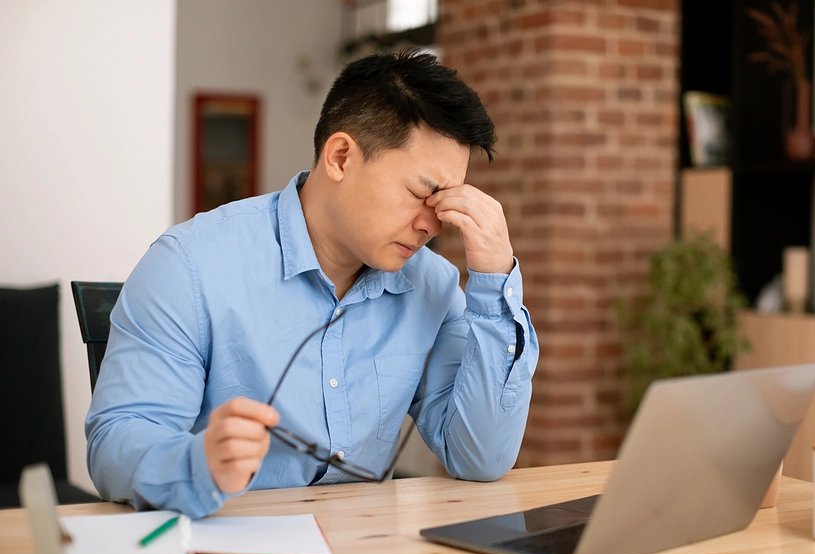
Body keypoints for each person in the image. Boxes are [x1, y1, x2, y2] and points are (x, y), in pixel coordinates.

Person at [85, 49, 539, 518]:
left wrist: (494, 280)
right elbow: (115, 444)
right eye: (422, 193)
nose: (433, 224)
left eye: (446, 201)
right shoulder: (189, 266)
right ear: (340, 157)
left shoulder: (434, 287)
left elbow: (479, 458)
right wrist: (195, 463)